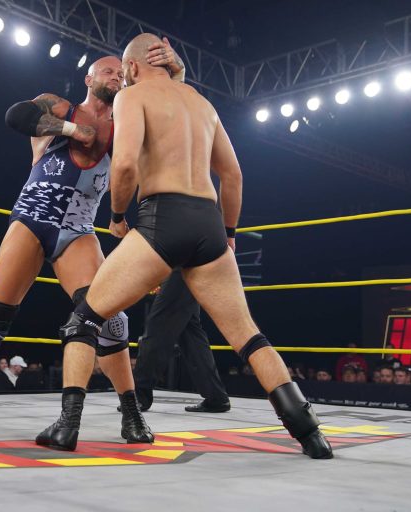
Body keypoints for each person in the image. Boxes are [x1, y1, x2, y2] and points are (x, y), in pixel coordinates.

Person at [36, 33, 332, 459]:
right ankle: (310, 433)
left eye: (124, 71)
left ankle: (67, 427)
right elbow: (233, 176)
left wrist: (117, 217)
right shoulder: (203, 104)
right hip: (209, 223)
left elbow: (124, 165)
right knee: (249, 337)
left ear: (132, 68)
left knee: (83, 320)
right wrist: (229, 234)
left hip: (163, 218)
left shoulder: (132, 96)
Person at [0, 40, 185, 447]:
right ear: (88, 78)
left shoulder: (126, 128)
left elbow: (174, 111)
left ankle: (131, 411)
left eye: (120, 72)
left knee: (108, 316)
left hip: (79, 232)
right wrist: (73, 131)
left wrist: (177, 71)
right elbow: (16, 115)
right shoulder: (60, 108)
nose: (115, 76)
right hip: (32, 220)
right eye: (107, 71)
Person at [129, 270, 230, 413]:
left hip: (182, 266)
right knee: (190, 335)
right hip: (194, 267)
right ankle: (216, 397)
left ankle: (139, 397)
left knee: (157, 328)